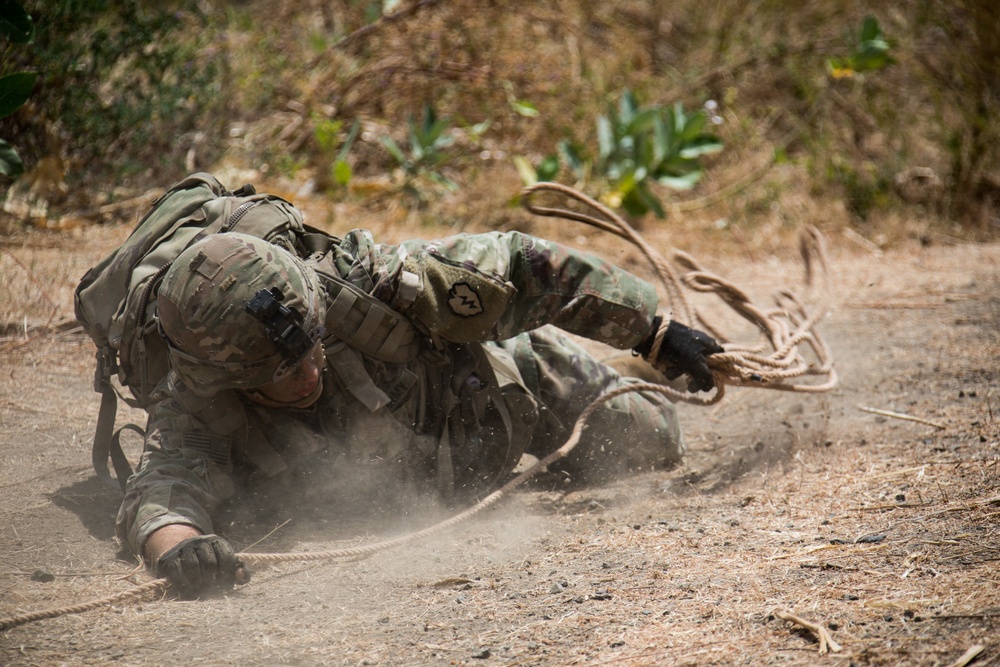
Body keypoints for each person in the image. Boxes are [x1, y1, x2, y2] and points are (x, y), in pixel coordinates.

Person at [115, 227, 723, 598]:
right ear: (228, 379)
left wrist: (653, 332)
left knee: (651, 437)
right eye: (278, 373)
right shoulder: (198, 393)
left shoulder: (373, 285)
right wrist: (181, 550)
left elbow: (525, 267)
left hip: (516, 381)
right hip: (455, 463)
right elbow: (162, 490)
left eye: (310, 350)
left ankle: (626, 376)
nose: (308, 375)